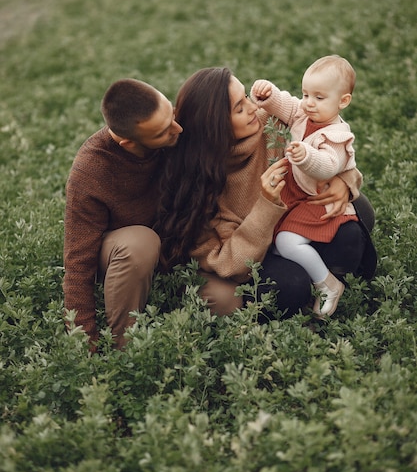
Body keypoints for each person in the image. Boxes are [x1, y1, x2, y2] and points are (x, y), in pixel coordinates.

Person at [156, 66, 376, 321]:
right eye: (239, 108)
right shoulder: (198, 183)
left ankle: (330, 286)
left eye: (246, 97)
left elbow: (330, 143)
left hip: (296, 225)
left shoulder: (270, 122)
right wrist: (266, 204)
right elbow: (228, 263)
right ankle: (313, 295)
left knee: (356, 217)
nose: (253, 108)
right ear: (215, 126)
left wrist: (343, 179)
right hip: (256, 254)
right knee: (291, 286)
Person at [63, 78, 183, 351]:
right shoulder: (91, 170)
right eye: (164, 132)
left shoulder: (172, 128)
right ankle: (124, 349)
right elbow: (78, 263)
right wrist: (85, 347)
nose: (179, 128)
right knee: (140, 242)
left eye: (172, 114)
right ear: (128, 144)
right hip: (119, 253)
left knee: (225, 299)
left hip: (168, 251)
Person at [250, 55, 358, 317]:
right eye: (306, 94)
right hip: (298, 193)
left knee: (287, 242)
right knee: (278, 242)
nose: (309, 103)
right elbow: (286, 105)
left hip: (317, 199)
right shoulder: (304, 113)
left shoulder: (337, 135)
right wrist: (268, 93)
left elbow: (329, 166)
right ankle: (310, 275)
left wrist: (307, 157)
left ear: (343, 101)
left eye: (319, 98)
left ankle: (327, 283)